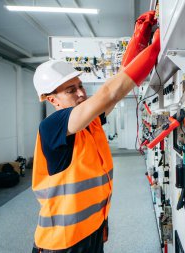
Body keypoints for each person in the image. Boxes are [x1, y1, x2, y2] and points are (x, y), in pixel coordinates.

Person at [31, 11, 159, 253]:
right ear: (52, 100)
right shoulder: (52, 126)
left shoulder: (90, 122)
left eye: (80, 86)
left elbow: (117, 89)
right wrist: (157, 47)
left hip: (92, 228)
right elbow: (108, 93)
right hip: (62, 241)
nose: (81, 93)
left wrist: (139, 41)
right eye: (71, 90)